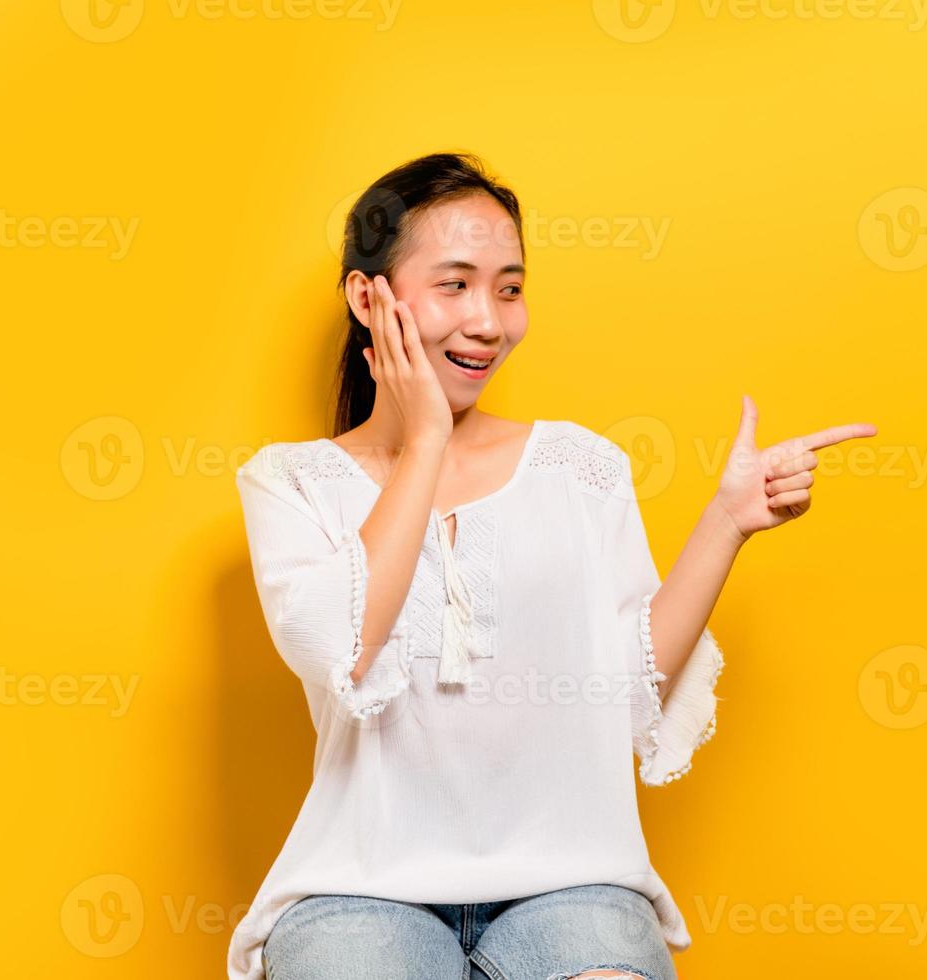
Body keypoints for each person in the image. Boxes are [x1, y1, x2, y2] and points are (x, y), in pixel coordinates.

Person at [228, 152, 876, 980]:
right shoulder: (291, 483)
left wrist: (727, 523)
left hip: (570, 885)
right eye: (454, 284)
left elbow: (628, 690)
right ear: (368, 297)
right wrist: (426, 440)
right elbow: (341, 647)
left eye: (508, 287)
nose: (489, 323)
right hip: (362, 890)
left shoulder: (578, 467)